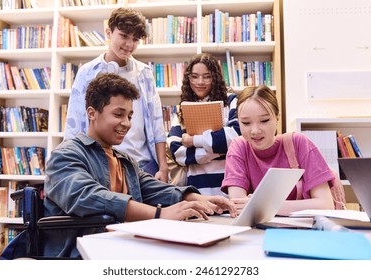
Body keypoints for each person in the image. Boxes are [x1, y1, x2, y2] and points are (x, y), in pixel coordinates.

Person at [43, 73, 236, 258]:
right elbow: (87, 196)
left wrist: (199, 199)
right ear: (92, 113)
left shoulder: (124, 160)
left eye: (129, 116)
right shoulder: (65, 155)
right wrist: (160, 214)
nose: (126, 123)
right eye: (119, 114)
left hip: (123, 247)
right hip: (81, 256)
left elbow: (154, 188)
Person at [64, 7, 168, 182]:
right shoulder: (87, 73)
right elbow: (73, 127)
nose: (129, 44)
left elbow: (157, 124)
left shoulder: (144, 73)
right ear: (108, 32)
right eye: (124, 36)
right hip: (98, 164)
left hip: (141, 165)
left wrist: (163, 168)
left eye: (135, 39)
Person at [221, 85, 335, 216]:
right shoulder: (238, 147)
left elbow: (325, 205)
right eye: (246, 123)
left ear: (277, 117)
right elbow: (238, 206)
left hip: (302, 232)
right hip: (257, 233)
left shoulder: (299, 143)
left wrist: (264, 205)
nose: (255, 131)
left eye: (264, 120)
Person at [167, 53, 240, 196]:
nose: (200, 82)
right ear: (188, 78)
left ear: (215, 77)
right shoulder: (183, 108)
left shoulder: (231, 101)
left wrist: (192, 141)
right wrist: (217, 152)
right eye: (194, 76)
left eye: (206, 76)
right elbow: (176, 151)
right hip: (197, 187)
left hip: (230, 183)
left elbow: (236, 137)